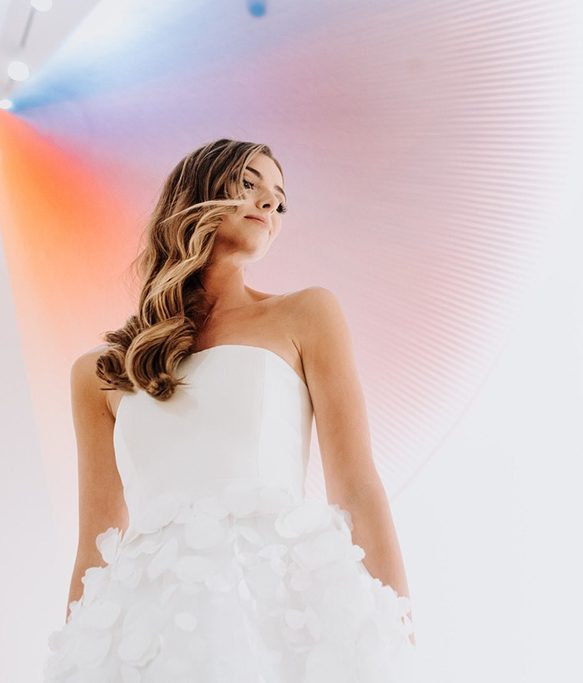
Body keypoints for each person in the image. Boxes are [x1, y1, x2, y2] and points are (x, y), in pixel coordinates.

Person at [43, 138, 417, 681]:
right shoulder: (99, 374)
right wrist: (75, 658)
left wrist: (397, 636)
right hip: (146, 625)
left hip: (277, 606)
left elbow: (356, 486)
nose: (269, 204)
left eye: (280, 199)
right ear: (194, 194)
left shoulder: (307, 314)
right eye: (250, 184)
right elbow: (95, 549)